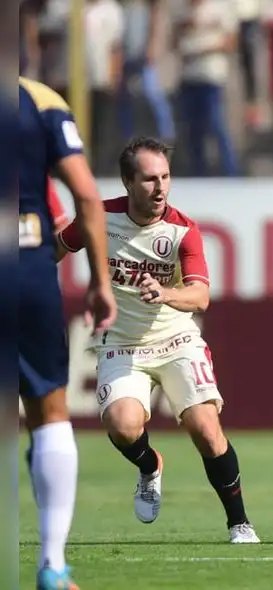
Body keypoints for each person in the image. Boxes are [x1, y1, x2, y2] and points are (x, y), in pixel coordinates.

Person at [55, 136, 260, 544]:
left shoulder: (183, 230)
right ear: (128, 182)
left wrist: (166, 293)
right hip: (122, 343)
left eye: (165, 177)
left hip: (176, 338)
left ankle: (240, 522)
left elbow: (200, 296)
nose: (160, 187)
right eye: (149, 179)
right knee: (123, 425)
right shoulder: (98, 217)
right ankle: (149, 466)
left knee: (205, 429)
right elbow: (55, 249)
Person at [19, 76, 117, 590]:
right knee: (48, 412)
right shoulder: (40, 101)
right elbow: (85, 194)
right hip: (25, 266)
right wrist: (101, 281)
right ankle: (52, 566)